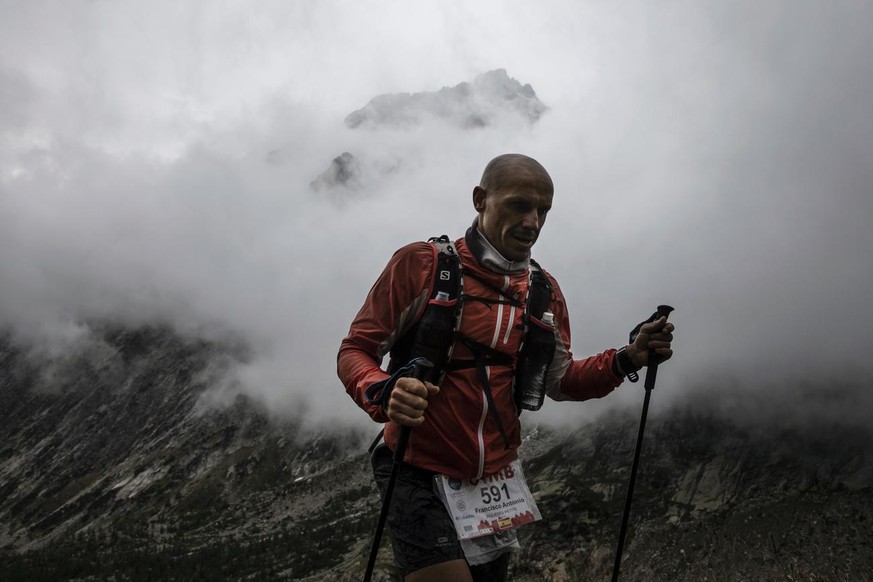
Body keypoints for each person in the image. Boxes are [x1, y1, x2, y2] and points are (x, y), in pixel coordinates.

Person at [337, 153, 674, 581]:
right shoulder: (421, 265)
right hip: (414, 464)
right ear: (481, 199)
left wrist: (629, 358)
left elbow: (563, 381)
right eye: (518, 205)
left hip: (493, 483)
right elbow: (355, 349)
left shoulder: (543, 291)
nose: (532, 222)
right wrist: (383, 391)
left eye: (543, 211)